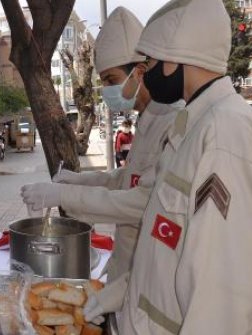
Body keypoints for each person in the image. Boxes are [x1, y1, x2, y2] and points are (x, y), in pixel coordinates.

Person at [119, 0, 252, 333]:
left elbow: (224, 294)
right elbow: (167, 246)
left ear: (174, 58)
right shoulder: (197, 125)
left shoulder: (223, 134)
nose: (148, 73)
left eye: (151, 61)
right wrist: (121, 294)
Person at [19, 6, 183, 325]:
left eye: (110, 79)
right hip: (128, 268)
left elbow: (144, 203)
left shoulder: (173, 121)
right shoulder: (148, 118)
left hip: (151, 275)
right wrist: (73, 182)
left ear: (139, 71)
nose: (107, 90)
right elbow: (125, 178)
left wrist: (61, 196)